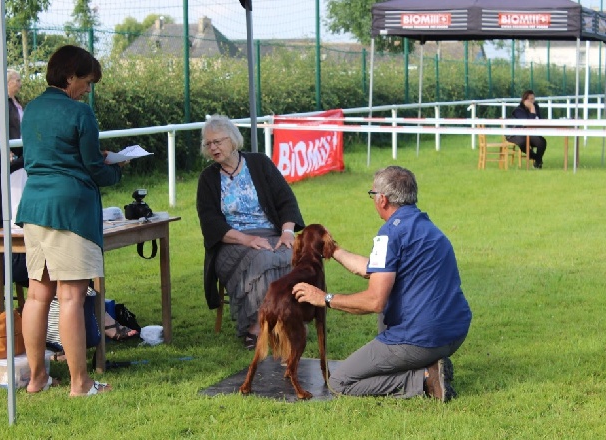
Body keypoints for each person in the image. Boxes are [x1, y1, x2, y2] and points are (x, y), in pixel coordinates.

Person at [292, 166, 472, 401]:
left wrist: (324, 298)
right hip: (454, 334)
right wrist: (333, 250)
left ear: (383, 199)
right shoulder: (426, 227)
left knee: (340, 381)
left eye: (372, 194)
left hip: (422, 339)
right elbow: (374, 269)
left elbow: (374, 301)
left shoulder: (389, 234)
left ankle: (425, 379)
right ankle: (428, 366)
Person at [16, 45, 125, 396]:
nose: (88, 90)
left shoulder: (30, 108)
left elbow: (49, 153)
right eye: (87, 82)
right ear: (70, 75)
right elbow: (92, 167)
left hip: (34, 207)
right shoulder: (81, 113)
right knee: (72, 298)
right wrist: (116, 171)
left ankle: (37, 378)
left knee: (36, 296)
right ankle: (81, 383)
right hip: (70, 210)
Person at [196, 115, 304, 350]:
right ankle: (256, 326)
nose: (213, 147)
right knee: (263, 258)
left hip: (271, 232)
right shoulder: (208, 179)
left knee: (291, 254)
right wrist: (248, 239)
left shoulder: (260, 163)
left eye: (218, 141)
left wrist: (287, 232)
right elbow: (211, 223)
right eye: (208, 144)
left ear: (233, 139)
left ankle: (284, 321)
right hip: (233, 241)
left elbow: (286, 200)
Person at [506, 89, 547, 169]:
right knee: (523, 142)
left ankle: (537, 163)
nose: (532, 101)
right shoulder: (518, 111)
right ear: (525, 100)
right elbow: (528, 123)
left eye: (533, 99)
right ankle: (537, 159)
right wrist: (532, 108)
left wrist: (533, 109)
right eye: (530, 99)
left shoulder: (536, 107)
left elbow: (539, 120)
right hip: (515, 134)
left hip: (529, 133)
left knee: (541, 142)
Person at [0, 68, 24, 159]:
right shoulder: (3, 102)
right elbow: (0, 128)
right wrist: (7, 151)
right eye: (17, 81)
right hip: (13, 152)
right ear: (8, 82)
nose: (20, 84)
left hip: (22, 149)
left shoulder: (17, 102)